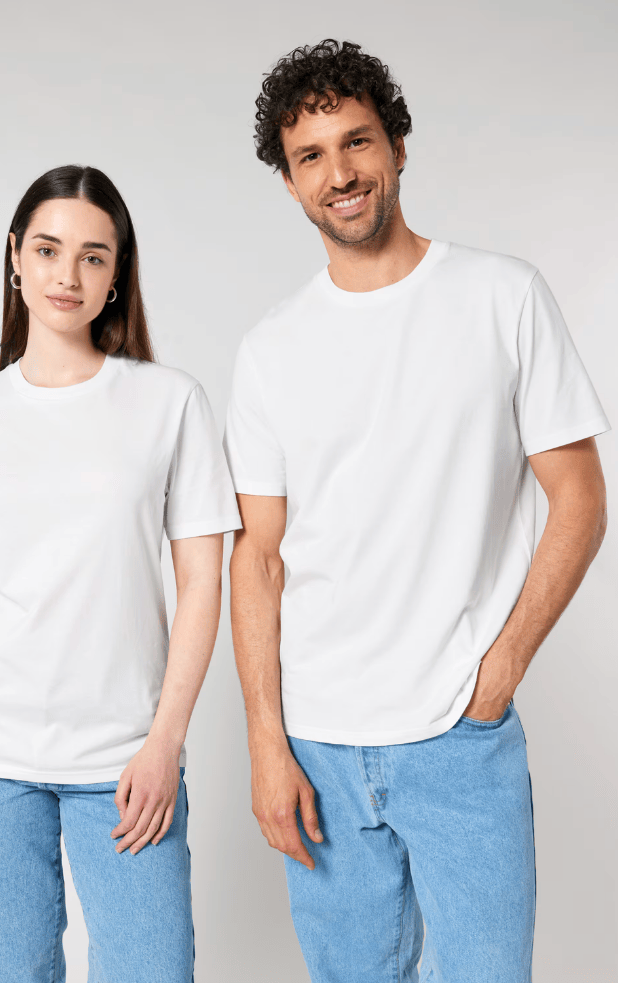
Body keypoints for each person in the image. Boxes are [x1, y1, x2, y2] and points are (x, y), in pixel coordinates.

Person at [222, 39, 610, 983]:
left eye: (357, 142)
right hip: (317, 741)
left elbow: (582, 498)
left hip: (459, 740)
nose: (340, 172)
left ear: (397, 146)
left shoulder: (500, 297)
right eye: (310, 155)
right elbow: (259, 557)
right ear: (288, 181)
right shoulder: (272, 349)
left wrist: (499, 669)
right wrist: (266, 744)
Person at [0, 164, 242, 983]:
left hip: (125, 760)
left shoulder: (168, 403)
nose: (66, 275)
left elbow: (203, 586)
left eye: (92, 256)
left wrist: (165, 743)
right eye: (47, 250)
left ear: (118, 277)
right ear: (15, 257)